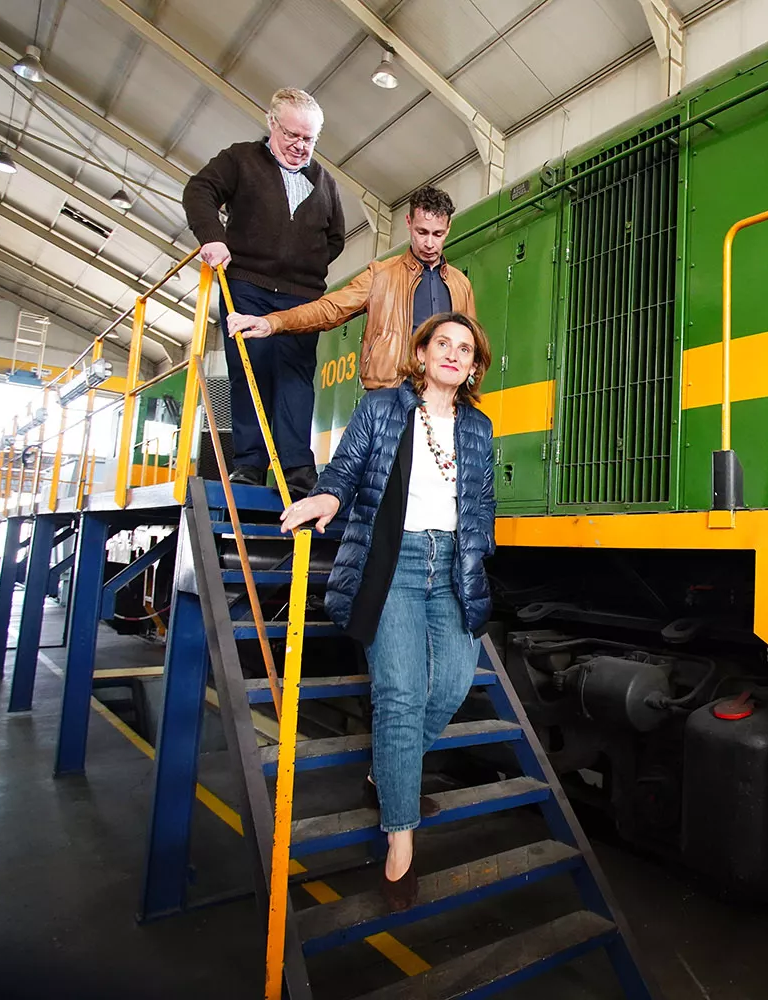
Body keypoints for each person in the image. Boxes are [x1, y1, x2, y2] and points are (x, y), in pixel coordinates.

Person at [279, 311, 495, 908]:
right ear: (422, 354)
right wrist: (323, 495)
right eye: (441, 344)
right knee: (400, 695)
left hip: (452, 566)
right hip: (392, 563)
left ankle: (388, 767)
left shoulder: (478, 427)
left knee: (450, 685)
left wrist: (481, 552)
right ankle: (401, 835)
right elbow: (345, 470)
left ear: (473, 367)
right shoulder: (381, 409)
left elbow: (482, 504)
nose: (452, 354)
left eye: (464, 349)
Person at [183, 87, 345, 498]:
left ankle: (296, 467)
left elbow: (336, 238)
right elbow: (199, 190)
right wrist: (212, 237)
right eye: (292, 135)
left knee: (295, 378)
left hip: (301, 298)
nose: (300, 146)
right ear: (271, 124)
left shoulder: (324, 181)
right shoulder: (241, 159)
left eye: (308, 139)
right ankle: (250, 465)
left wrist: (303, 267)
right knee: (249, 370)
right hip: (247, 285)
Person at [227, 185, 474, 391]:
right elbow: (329, 309)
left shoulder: (461, 285)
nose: (429, 243)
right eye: (422, 232)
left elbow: (471, 345)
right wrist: (274, 322)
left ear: (448, 229)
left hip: (443, 398)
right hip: (391, 393)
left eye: (438, 234)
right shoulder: (380, 275)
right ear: (408, 222)